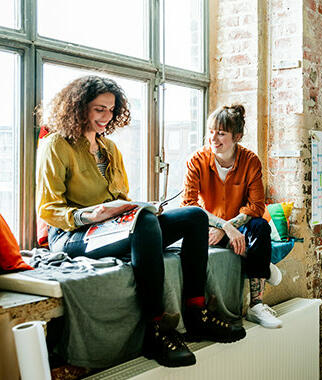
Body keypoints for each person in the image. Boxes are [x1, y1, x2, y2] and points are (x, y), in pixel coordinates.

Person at [36, 76, 245, 369]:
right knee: (143, 223)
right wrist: (89, 215)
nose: (106, 117)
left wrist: (134, 208)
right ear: (79, 108)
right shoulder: (56, 145)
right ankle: (155, 329)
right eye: (99, 109)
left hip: (109, 228)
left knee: (194, 216)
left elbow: (119, 197)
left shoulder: (109, 148)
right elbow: (48, 208)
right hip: (74, 234)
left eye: (111, 110)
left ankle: (197, 314)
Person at [182, 104, 283, 329]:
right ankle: (263, 265)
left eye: (221, 133)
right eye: (210, 131)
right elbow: (188, 204)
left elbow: (256, 206)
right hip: (210, 226)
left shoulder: (250, 161)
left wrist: (228, 226)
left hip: (241, 226)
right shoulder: (196, 161)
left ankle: (256, 306)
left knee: (260, 227)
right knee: (195, 231)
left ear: (236, 136)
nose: (213, 139)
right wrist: (221, 226)